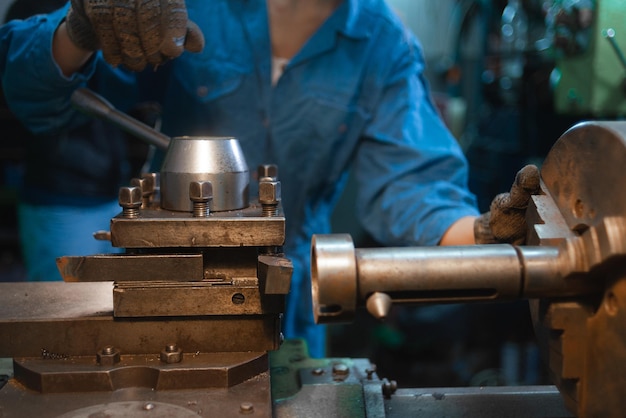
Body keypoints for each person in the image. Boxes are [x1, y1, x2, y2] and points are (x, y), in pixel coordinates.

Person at [0, 0, 537, 357]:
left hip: (293, 301)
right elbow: (30, 92)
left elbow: (417, 191)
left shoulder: (383, 46)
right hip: (164, 282)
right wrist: (80, 32)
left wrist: (485, 237)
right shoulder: (194, 7)